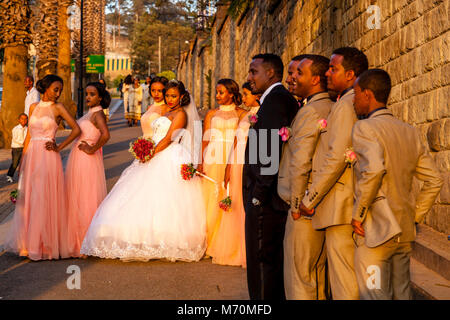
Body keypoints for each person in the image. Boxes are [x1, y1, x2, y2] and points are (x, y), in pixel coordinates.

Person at [81, 80, 206, 262]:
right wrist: (145, 150)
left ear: (181, 97)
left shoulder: (180, 114)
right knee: (136, 195)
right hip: (152, 152)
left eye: (173, 96)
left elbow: (168, 139)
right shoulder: (167, 111)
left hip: (167, 154)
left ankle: (163, 238)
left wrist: (151, 152)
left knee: (164, 200)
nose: (170, 99)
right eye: (168, 95)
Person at [351, 69, 443, 299]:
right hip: (404, 230)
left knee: (373, 293)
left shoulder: (365, 128)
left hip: (375, 231)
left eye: (356, 93)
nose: (353, 99)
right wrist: (415, 216)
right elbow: (435, 180)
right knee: (402, 293)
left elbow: (373, 170)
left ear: (368, 94)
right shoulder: (410, 132)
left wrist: (358, 214)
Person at [298, 47, 368, 300]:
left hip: (340, 205)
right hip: (340, 205)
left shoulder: (347, 105)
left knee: (344, 282)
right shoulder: (345, 102)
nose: (328, 73)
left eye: (333, 68)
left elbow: (337, 156)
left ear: (350, 75)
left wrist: (310, 198)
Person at [2, 74, 81, 261]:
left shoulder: (58, 107)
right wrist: (22, 160)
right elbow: (29, 134)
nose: (58, 93)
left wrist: (59, 147)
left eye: (60, 90)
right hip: (31, 156)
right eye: (55, 89)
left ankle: (45, 244)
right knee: (30, 197)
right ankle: (28, 244)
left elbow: (76, 129)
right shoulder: (33, 107)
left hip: (48, 156)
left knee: (44, 197)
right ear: (45, 88)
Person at [243, 54, 298, 300]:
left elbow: (270, 150)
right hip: (266, 196)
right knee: (267, 261)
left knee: (262, 260)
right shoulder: (273, 99)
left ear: (271, 73)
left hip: (266, 200)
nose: (249, 78)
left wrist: (258, 196)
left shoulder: (275, 100)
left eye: (254, 72)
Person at [277, 55, 333, 300]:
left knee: (299, 276)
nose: (293, 78)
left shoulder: (311, 111)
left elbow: (301, 161)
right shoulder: (331, 106)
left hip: (304, 205)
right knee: (316, 274)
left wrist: (297, 204)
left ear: (316, 79)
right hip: (322, 203)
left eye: (300, 73)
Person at [207, 82, 259, 268]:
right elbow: (237, 139)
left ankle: (244, 248)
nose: (243, 98)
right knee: (234, 203)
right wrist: (229, 165)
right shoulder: (247, 115)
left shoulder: (251, 114)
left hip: (246, 162)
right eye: (243, 95)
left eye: (246, 94)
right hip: (235, 160)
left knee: (242, 206)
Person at [198, 79, 245, 257]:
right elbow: (205, 139)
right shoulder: (211, 114)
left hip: (232, 156)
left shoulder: (242, 114)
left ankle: (225, 241)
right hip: (213, 156)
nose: (217, 96)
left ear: (231, 94)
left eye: (221, 92)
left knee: (229, 196)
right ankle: (209, 240)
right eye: (216, 92)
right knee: (210, 196)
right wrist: (201, 161)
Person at [65, 82, 111, 257]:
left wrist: (91, 149)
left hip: (87, 159)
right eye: (87, 94)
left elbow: (106, 135)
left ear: (99, 97)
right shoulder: (90, 112)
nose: (88, 97)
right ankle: (79, 242)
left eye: (92, 94)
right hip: (79, 158)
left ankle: (86, 242)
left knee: (85, 198)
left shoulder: (98, 113)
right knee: (78, 197)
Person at [6, 113, 28, 183]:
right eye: (22, 119)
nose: (24, 120)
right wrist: (23, 143)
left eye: (25, 119)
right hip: (16, 148)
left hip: (25, 148)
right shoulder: (15, 129)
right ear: (19, 120)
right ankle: (9, 175)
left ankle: (23, 176)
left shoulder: (27, 129)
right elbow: (15, 139)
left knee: (24, 162)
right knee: (15, 163)